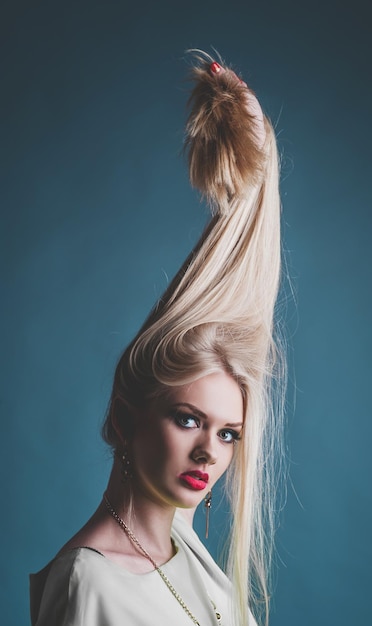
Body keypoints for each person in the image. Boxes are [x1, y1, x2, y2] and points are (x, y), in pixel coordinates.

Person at [30, 51, 286, 626]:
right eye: (189, 419)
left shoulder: (181, 544)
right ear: (124, 416)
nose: (209, 454)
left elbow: (241, 285)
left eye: (228, 433)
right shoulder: (89, 583)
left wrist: (256, 178)